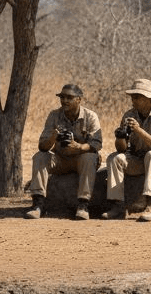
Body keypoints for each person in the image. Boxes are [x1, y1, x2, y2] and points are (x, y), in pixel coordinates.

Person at [103, 78, 151, 222]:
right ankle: (118, 206)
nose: (133, 100)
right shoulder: (129, 115)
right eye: (132, 97)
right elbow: (121, 150)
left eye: (137, 97)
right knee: (115, 158)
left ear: (148, 99)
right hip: (140, 158)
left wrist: (138, 130)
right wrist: (120, 137)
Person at [26, 83, 103, 220]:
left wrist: (78, 146)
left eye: (69, 97)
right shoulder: (54, 115)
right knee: (39, 157)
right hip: (60, 158)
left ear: (79, 99)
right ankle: (38, 204)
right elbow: (42, 146)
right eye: (62, 97)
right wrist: (53, 137)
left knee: (90, 157)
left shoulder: (90, 116)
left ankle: (83, 205)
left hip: (81, 158)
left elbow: (96, 144)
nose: (64, 101)